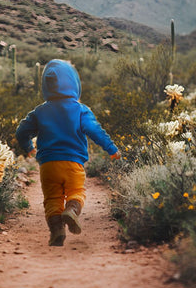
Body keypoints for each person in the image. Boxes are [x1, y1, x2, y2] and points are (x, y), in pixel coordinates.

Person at [16, 59, 120, 246]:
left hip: (48, 165)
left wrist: (29, 147)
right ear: (74, 83)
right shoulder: (81, 110)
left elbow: (21, 131)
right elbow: (96, 131)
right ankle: (71, 210)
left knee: (52, 199)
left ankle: (57, 231)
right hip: (73, 163)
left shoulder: (40, 111)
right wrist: (111, 149)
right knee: (76, 191)